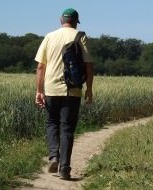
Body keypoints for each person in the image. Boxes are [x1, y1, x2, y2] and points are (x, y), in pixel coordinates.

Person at [35, 8, 94, 180]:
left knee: (52, 122)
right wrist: (89, 89)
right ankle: (64, 169)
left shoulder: (49, 36)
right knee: (67, 128)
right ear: (76, 21)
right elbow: (89, 66)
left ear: (61, 20)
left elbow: (40, 67)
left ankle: (53, 156)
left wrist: (39, 91)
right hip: (72, 89)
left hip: (51, 88)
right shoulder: (80, 36)